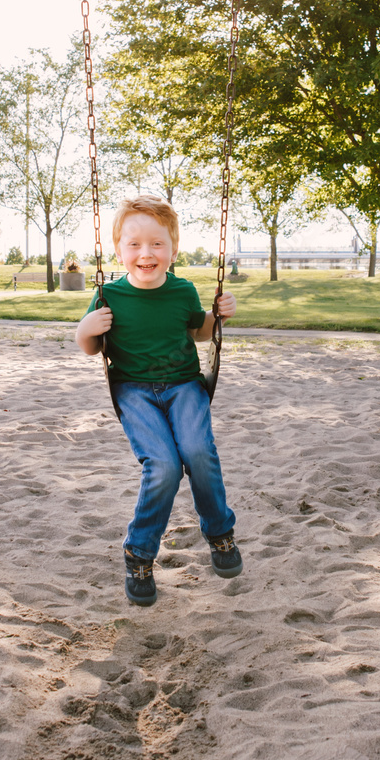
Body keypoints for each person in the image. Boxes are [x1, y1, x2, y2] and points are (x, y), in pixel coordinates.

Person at [75, 195, 241, 607]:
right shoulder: (109, 295)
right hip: (133, 391)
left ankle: (219, 534)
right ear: (118, 251)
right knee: (164, 466)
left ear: (173, 250)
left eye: (157, 244)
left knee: (199, 451)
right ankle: (139, 554)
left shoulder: (182, 291)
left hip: (184, 385)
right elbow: (92, 349)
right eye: (134, 245)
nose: (145, 253)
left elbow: (199, 333)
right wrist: (85, 327)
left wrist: (218, 316)